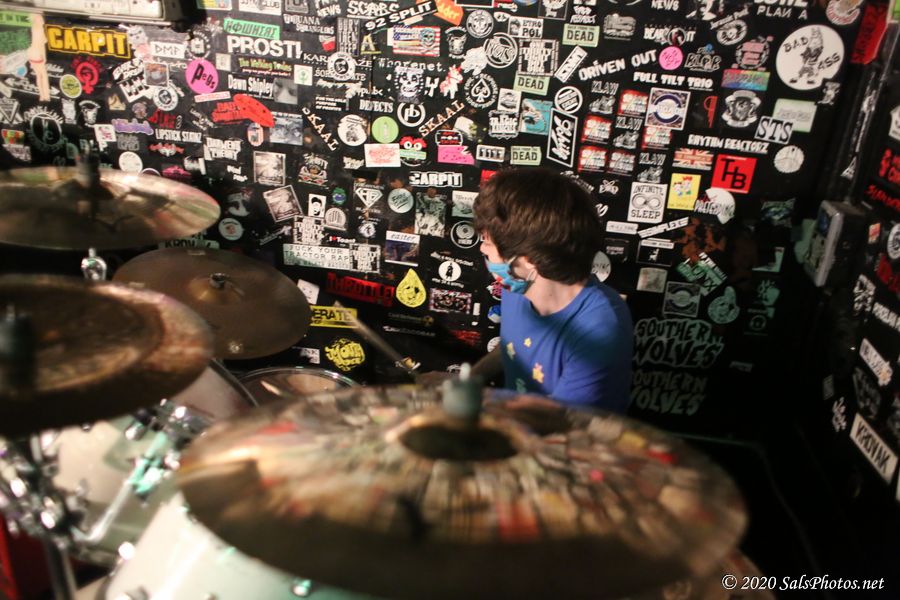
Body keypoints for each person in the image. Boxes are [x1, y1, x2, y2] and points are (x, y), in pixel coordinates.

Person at [469, 168, 634, 413]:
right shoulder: (517, 286)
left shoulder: (599, 328)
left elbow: (562, 420)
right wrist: (468, 381)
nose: (482, 249)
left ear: (528, 260)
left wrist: (470, 399)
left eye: (488, 242)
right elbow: (513, 346)